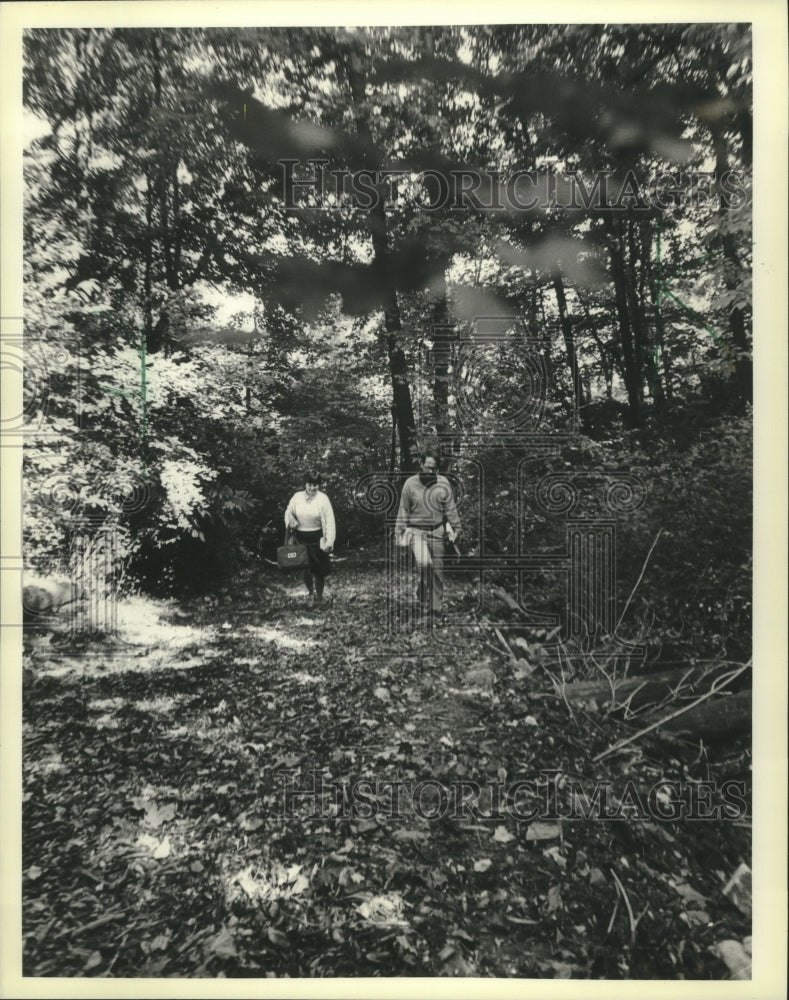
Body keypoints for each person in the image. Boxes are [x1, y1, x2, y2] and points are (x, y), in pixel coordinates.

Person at [394, 450, 461, 619]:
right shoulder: (410, 484)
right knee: (424, 563)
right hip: (416, 531)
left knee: (437, 571)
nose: (429, 471)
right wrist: (398, 531)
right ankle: (423, 585)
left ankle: (435, 608)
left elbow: (450, 508)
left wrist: (456, 528)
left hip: (437, 531)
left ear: (437, 468)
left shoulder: (443, 483)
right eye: (427, 467)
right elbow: (403, 509)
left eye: (433, 468)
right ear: (421, 465)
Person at [284, 471, 336, 604]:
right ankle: (310, 593)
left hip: (318, 538)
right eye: (310, 485)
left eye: (315, 485)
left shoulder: (323, 499)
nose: (312, 488)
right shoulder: (297, 497)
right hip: (301, 538)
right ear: (305, 484)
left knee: (319, 570)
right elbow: (288, 512)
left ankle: (319, 597)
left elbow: (330, 520)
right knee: (305, 568)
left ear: (319, 485)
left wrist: (329, 541)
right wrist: (291, 522)